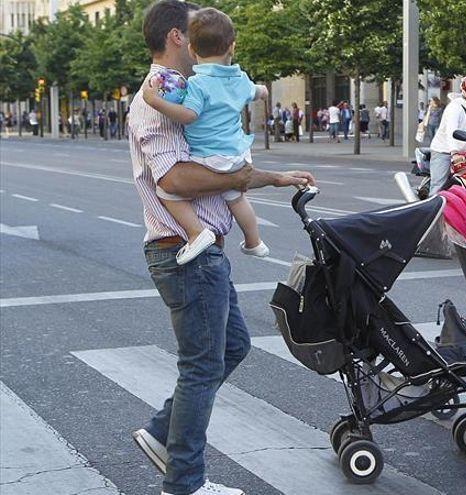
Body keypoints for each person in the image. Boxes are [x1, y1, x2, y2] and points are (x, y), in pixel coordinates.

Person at [128, 3, 315, 495]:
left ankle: (162, 432)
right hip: (181, 250)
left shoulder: (196, 89)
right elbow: (177, 178)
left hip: (205, 251)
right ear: (177, 38)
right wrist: (239, 177)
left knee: (233, 346)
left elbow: (221, 157)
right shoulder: (159, 95)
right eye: (190, 32)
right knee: (202, 365)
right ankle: (184, 483)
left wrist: (275, 176)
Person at [142, 6, 271, 265]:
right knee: (236, 198)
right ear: (232, 47)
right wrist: (262, 92)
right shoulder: (241, 79)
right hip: (238, 152)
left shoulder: (196, 85)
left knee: (166, 193)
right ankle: (254, 241)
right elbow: (259, 92)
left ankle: (195, 232)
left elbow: (188, 116)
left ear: (192, 49)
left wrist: (155, 102)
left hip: (210, 156)